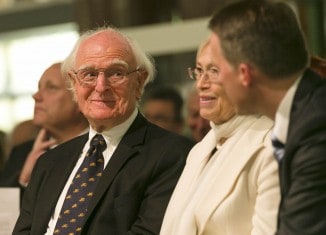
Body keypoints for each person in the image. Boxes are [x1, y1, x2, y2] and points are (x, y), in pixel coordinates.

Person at [13, 26, 194, 234]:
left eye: (116, 73)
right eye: (89, 74)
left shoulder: (172, 155)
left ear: (139, 81)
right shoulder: (49, 163)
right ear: (74, 83)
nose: (100, 86)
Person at [207, 1, 326, 234]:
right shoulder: (304, 115)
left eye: (216, 69)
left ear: (244, 74)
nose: (211, 82)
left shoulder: (317, 127)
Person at [160, 38, 280, 235]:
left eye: (214, 71)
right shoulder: (200, 150)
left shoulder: (273, 147)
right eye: (199, 71)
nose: (201, 83)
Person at [0, 62, 89, 189]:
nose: (36, 96)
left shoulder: (103, 148)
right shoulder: (22, 153)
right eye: (39, 87)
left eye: (51, 87)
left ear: (80, 99)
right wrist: (23, 180)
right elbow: (4, 208)